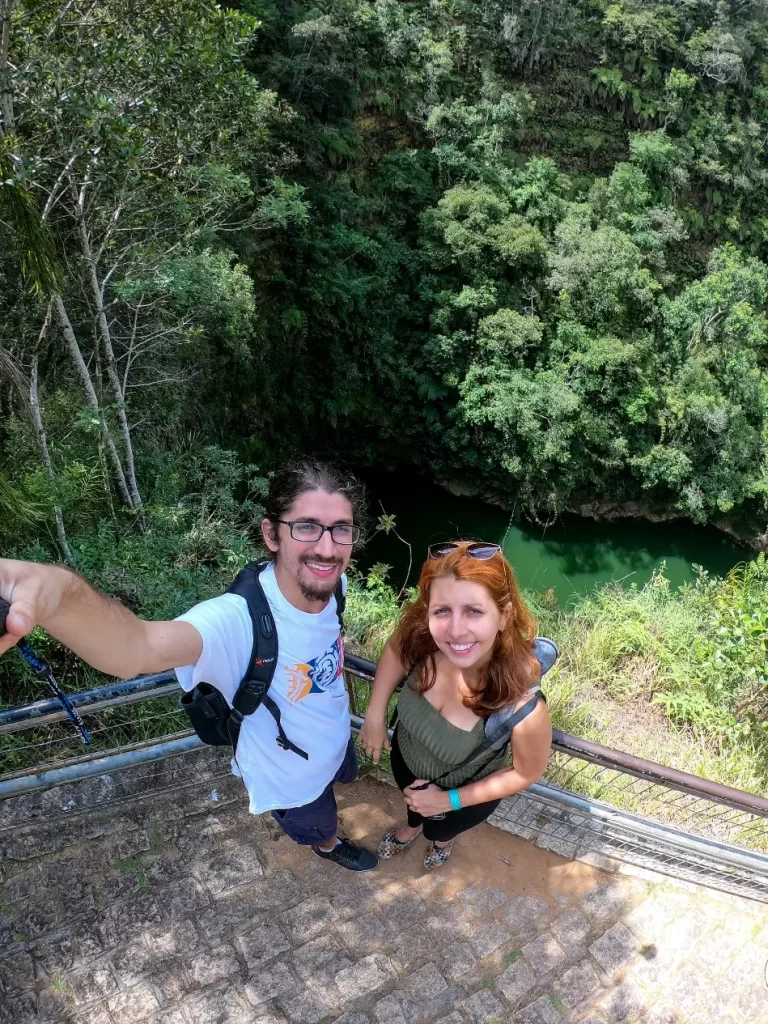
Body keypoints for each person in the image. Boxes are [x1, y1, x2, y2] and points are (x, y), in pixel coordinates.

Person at [0, 459, 378, 871]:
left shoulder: (333, 585)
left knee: (340, 778)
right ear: (271, 534)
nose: (327, 548)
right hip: (288, 775)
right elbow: (137, 647)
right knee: (316, 823)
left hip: (334, 738)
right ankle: (326, 845)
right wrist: (59, 593)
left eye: (341, 529)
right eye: (306, 527)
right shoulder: (235, 620)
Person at [359, 540, 552, 870]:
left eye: (474, 611)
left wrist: (446, 800)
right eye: (442, 610)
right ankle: (412, 827)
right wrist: (375, 714)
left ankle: (442, 841)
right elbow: (395, 648)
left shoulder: (522, 706)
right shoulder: (423, 642)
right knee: (413, 806)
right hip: (406, 760)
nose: (455, 631)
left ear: (503, 615)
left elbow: (526, 771)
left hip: (463, 794)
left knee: (442, 826)